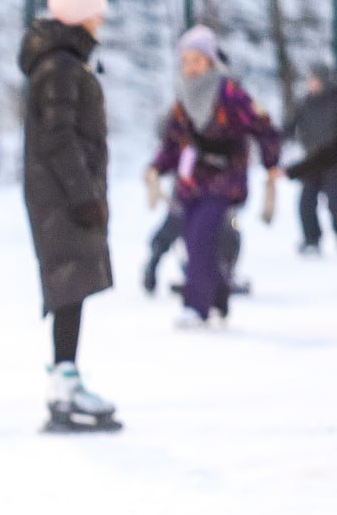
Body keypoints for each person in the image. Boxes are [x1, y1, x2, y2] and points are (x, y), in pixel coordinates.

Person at [18, 0, 120, 433]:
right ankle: (63, 384)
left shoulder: (62, 62)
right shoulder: (59, 65)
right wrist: (83, 195)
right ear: (80, 16)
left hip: (59, 192)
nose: (101, 23)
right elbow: (58, 137)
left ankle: (67, 375)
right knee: (69, 283)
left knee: (71, 284)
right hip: (60, 195)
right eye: (96, 14)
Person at [144, 24, 282, 328]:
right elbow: (173, 141)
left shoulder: (230, 93)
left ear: (210, 61)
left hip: (225, 180)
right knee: (191, 236)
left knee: (201, 236)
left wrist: (271, 163)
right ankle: (219, 296)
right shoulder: (183, 96)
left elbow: (264, 126)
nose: (191, 67)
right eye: (186, 60)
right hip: (191, 181)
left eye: (197, 60)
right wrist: (156, 167)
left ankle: (196, 306)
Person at [281, 62, 337, 255]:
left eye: (315, 80)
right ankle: (311, 239)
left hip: (333, 161)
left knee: (335, 202)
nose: (311, 84)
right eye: (310, 80)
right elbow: (290, 127)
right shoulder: (304, 103)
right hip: (312, 160)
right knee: (306, 201)